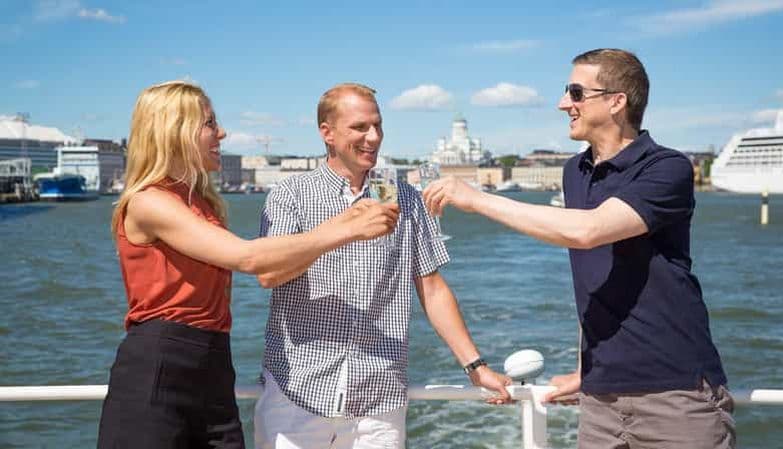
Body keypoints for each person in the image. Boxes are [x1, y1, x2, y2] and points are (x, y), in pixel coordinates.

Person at [423, 49, 735, 448]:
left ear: (616, 101)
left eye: (575, 93)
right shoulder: (575, 172)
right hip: (600, 402)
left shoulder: (667, 167)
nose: (562, 103)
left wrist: (476, 199)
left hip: (675, 394)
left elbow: (589, 232)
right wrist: (586, 368)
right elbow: (593, 279)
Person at [97, 80, 399, 449]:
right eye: (210, 124)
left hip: (213, 365)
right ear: (174, 131)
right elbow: (249, 258)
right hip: (160, 364)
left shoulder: (199, 202)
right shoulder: (149, 202)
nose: (221, 133)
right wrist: (346, 228)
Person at [253, 83, 512, 449]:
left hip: (379, 401)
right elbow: (269, 273)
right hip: (297, 395)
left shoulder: (404, 197)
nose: (373, 137)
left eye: (377, 126)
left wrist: (476, 366)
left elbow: (432, 288)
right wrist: (345, 231)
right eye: (360, 127)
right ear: (327, 133)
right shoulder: (290, 195)